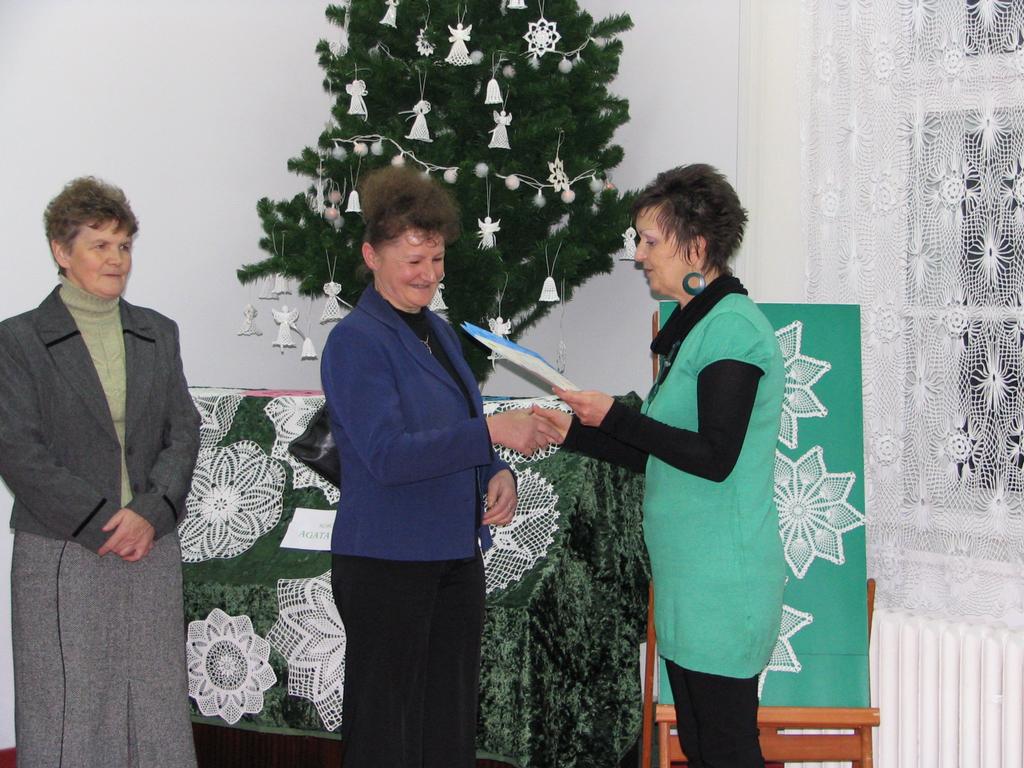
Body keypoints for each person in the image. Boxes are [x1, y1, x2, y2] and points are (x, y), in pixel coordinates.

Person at [534, 164, 786, 767]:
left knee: (725, 749)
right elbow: (659, 452)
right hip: (690, 580)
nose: (639, 256)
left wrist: (614, 417)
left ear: (694, 248)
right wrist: (570, 432)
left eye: (649, 241)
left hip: (723, 582)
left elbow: (713, 457)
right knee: (702, 746)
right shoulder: (695, 325)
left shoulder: (731, 329)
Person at [320, 166, 558, 768]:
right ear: (371, 256)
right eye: (413, 260)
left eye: (437, 258)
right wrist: (490, 433)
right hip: (387, 563)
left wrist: (495, 471)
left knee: (447, 733)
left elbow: (457, 423)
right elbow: (387, 455)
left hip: (453, 558)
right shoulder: (355, 341)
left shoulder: (441, 333)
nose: (429, 274)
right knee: (385, 739)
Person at [0, 177, 201, 768]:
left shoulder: (157, 332)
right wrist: (104, 522)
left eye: (124, 245)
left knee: (156, 710)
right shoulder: (17, 341)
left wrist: (150, 513)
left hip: (151, 545)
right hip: (62, 551)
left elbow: (183, 430)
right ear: (61, 252)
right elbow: (18, 450)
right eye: (100, 245)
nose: (117, 259)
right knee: (70, 715)